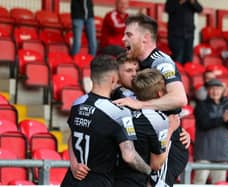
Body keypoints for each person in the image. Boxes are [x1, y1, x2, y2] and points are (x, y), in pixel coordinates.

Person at [114, 14, 189, 186]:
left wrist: (141, 104)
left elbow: (179, 98)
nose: (123, 38)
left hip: (165, 145)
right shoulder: (137, 63)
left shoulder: (160, 62)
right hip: (148, 142)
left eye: (129, 34)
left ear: (146, 38)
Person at [60, 55, 152, 187]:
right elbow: (129, 156)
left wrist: (74, 163)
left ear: (91, 77)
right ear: (114, 79)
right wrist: (149, 170)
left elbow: (72, 137)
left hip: (71, 180)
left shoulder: (78, 103)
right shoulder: (119, 112)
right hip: (98, 181)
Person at [115, 69, 180, 187]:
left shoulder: (122, 108)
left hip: (112, 176)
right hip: (136, 180)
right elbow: (156, 164)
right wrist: (170, 129)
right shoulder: (158, 119)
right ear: (160, 93)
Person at [193, 79, 228, 184]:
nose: (215, 92)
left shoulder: (226, 105)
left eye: (218, 89)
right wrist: (222, 119)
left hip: (221, 153)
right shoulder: (201, 105)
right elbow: (204, 123)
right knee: (199, 183)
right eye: (212, 89)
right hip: (204, 153)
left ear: (222, 91)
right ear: (208, 91)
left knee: (220, 184)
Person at [165, 0, 203, 64]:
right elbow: (168, 9)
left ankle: (186, 72)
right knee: (177, 58)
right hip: (175, 34)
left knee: (188, 58)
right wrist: (180, 1)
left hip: (189, 34)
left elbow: (200, 9)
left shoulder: (191, 1)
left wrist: (192, 2)